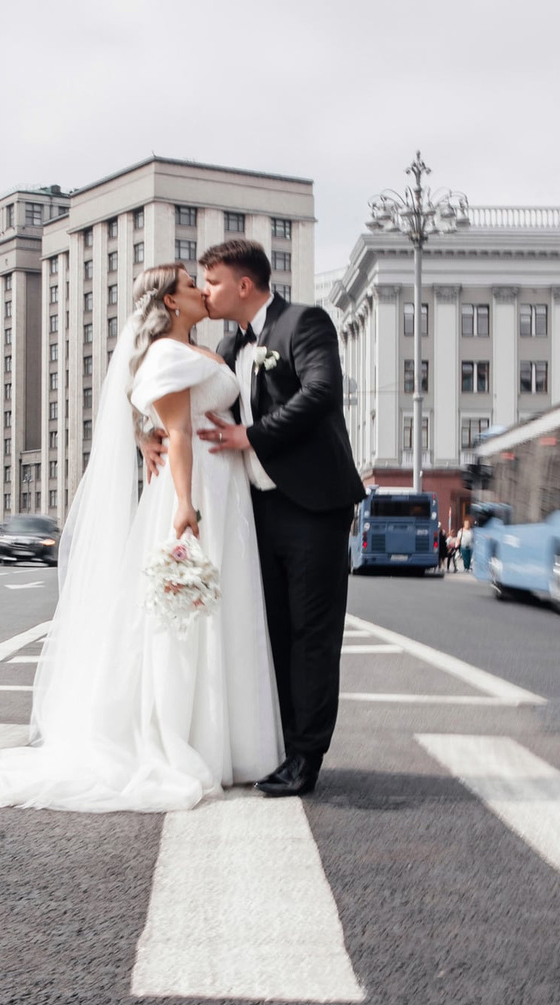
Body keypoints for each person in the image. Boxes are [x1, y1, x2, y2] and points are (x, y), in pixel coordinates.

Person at [0, 263, 281, 812]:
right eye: (189, 284)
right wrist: (183, 503)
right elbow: (175, 432)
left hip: (225, 493)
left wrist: (139, 431)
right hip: (195, 492)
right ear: (172, 303)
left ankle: (225, 740)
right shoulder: (167, 356)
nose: (200, 288)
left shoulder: (201, 347)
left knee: (219, 615)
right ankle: (185, 736)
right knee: (184, 619)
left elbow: (145, 411)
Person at [197, 239, 368, 798]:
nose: (206, 291)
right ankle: (279, 746)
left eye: (214, 282)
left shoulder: (304, 323)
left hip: (314, 506)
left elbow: (322, 392)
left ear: (244, 285)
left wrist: (253, 434)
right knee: (270, 632)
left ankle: (306, 757)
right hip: (256, 511)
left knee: (312, 634)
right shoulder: (229, 342)